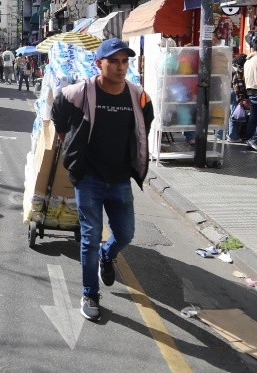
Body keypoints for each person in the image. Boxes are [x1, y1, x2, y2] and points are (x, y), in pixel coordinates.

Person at [51, 38, 154, 322]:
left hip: (120, 180)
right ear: (99, 64)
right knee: (90, 237)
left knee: (126, 234)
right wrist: (67, 141)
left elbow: (147, 120)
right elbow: (58, 110)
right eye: (114, 62)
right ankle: (90, 294)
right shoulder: (80, 92)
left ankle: (108, 257)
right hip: (89, 179)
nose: (121, 68)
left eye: (124, 62)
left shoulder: (137, 96)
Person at [228, 53, 250, 142]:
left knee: (230, 114)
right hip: (235, 93)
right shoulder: (238, 70)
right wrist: (242, 98)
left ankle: (224, 134)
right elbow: (238, 84)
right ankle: (233, 136)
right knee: (235, 115)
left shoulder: (230, 67)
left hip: (228, 91)